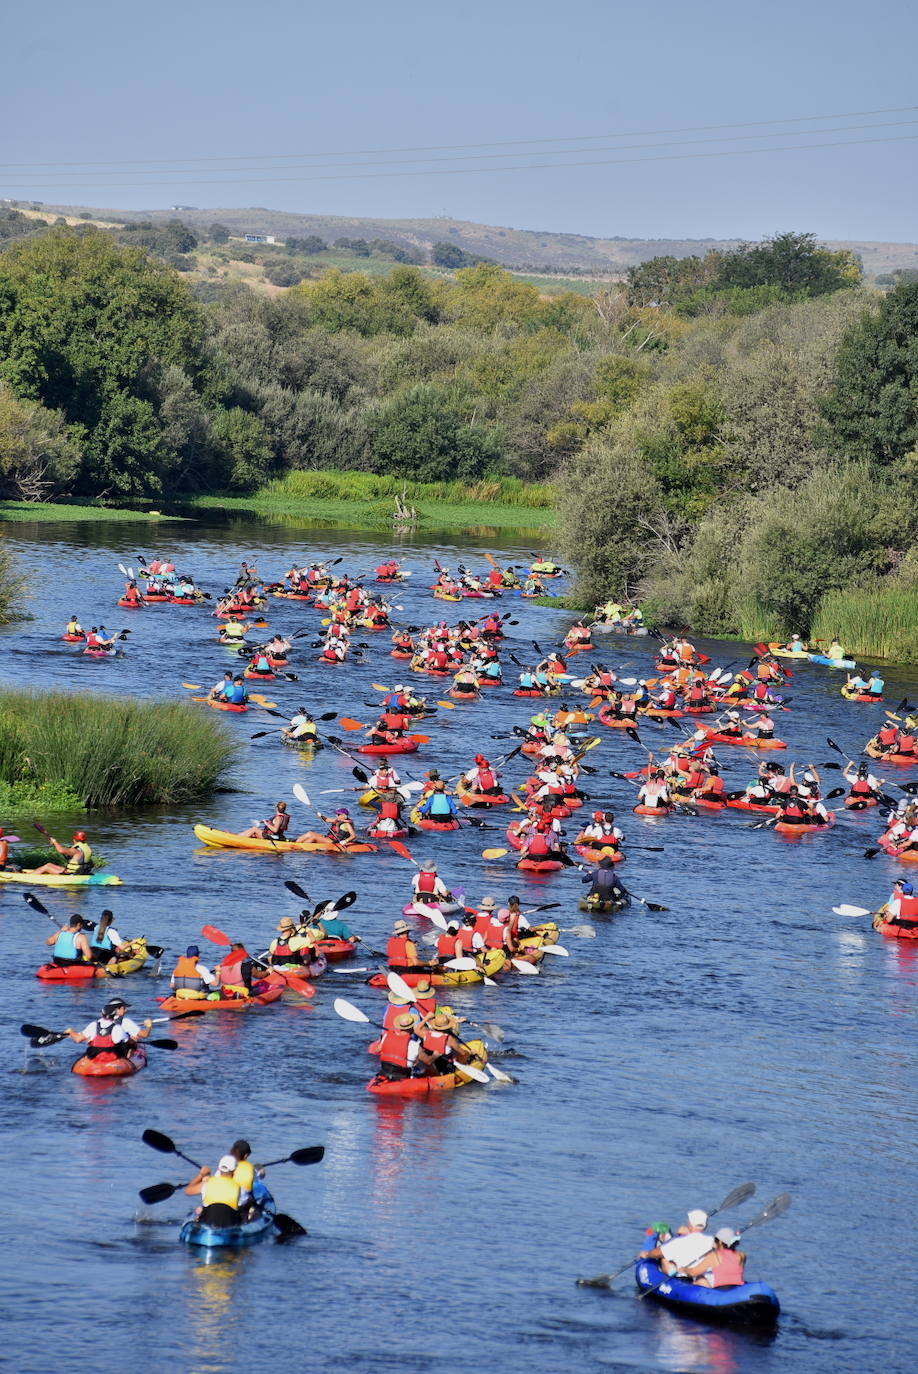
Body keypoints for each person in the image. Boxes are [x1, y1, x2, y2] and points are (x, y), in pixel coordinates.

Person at [65, 998, 152, 1059]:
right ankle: (129, 1055)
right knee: (132, 1042)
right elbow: (144, 1035)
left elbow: (80, 1039)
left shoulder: (95, 1023)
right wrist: (149, 1026)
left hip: (95, 1053)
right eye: (123, 1008)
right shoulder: (124, 1023)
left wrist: (72, 1032)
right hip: (113, 1052)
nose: (126, 1010)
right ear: (115, 1010)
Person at [640, 1209, 713, 1275]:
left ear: (690, 1225)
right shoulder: (713, 1241)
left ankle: (672, 1274)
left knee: (664, 1258)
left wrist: (646, 1254)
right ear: (706, 1226)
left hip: (683, 1277)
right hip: (703, 1276)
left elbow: (657, 1253)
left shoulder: (679, 1242)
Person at [184, 1154, 244, 1225]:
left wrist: (201, 1175)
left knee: (198, 1211)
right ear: (234, 1171)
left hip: (208, 1221)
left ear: (219, 1169)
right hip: (228, 1223)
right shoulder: (238, 1186)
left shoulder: (207, 1183)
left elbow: (188, 1191)